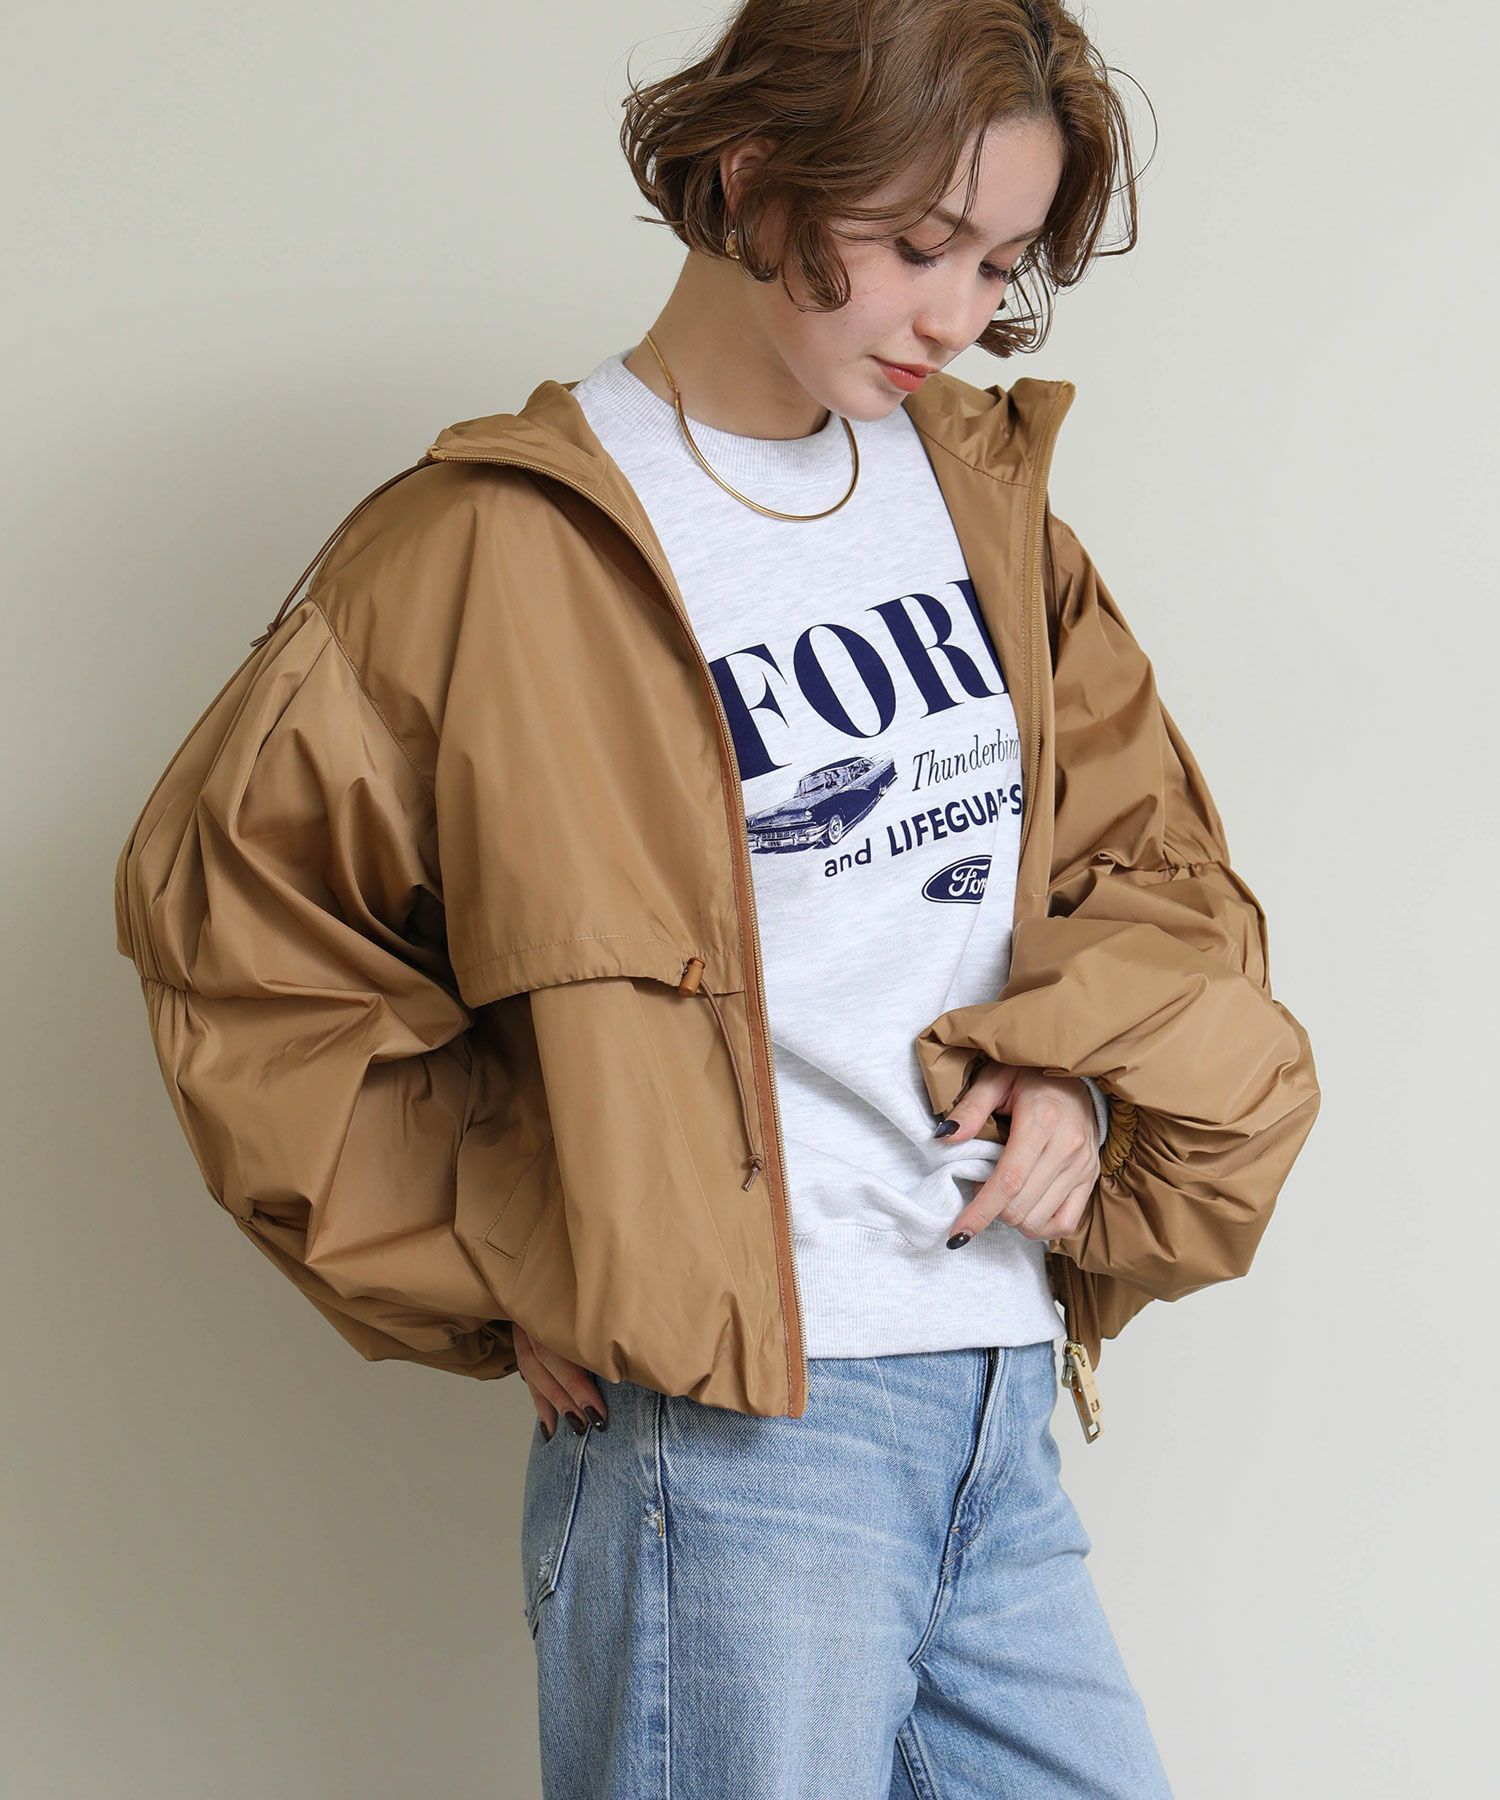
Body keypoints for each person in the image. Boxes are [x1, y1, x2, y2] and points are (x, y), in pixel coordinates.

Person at [113, 1, 1321, 1793]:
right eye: (919, 244)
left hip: (991, 1387)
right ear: (757, 177)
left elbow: (1148, 866)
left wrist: (1078, 1066)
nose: (957, 314)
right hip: (734, 1439)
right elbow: (244, 943)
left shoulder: (982, 507)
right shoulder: (491, 546)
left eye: (999, 264)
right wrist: (505, 1246)